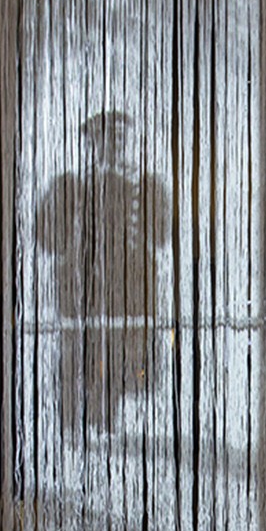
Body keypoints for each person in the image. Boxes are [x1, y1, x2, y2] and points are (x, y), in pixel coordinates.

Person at [34, 110, 172, 433]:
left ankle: (109, 414)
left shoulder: (146, 186)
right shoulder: (70, 186)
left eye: (120, 138)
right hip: (83, 292)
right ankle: (80, 418)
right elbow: (46, 237)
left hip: (130, 293)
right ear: (93, 143)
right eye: (106, 138)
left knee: (124, 355)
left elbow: (163, 235)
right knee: (80, 354)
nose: (114, 145)